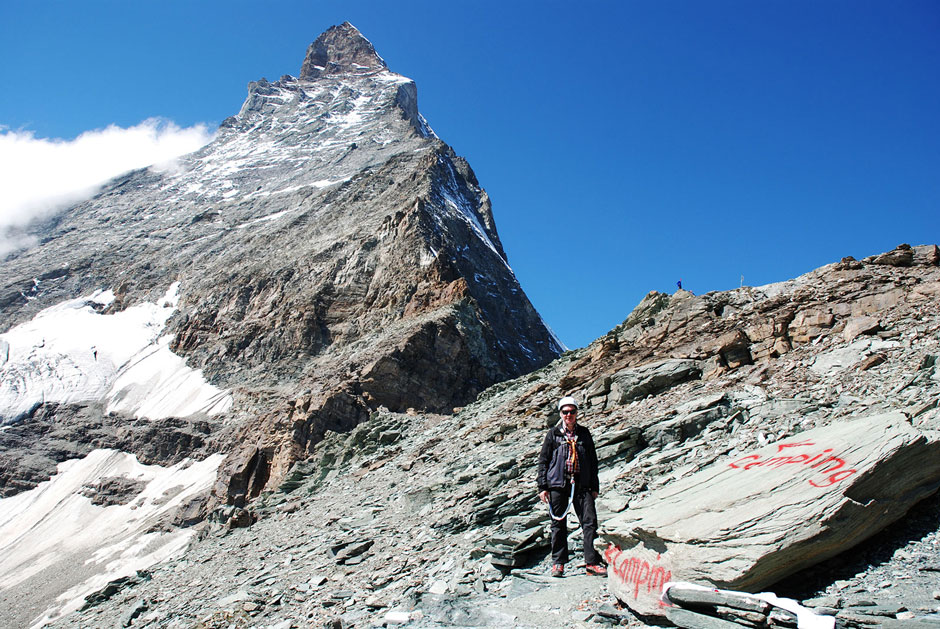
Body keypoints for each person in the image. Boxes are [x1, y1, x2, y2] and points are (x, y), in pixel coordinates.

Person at [537, 396, 606, 577]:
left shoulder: (584, 433)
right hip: (558, 484)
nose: (569, 415)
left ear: (576, 413)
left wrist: (594, 486)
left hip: (581, 484)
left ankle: (591, 562)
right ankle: (558, 563)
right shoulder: (553, 434)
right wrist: (542, 487)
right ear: (560, 414)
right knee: (558, 523)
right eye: (565, 412)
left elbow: (592, 461)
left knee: (589, 521)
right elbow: (543, 461)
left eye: (572, 412)